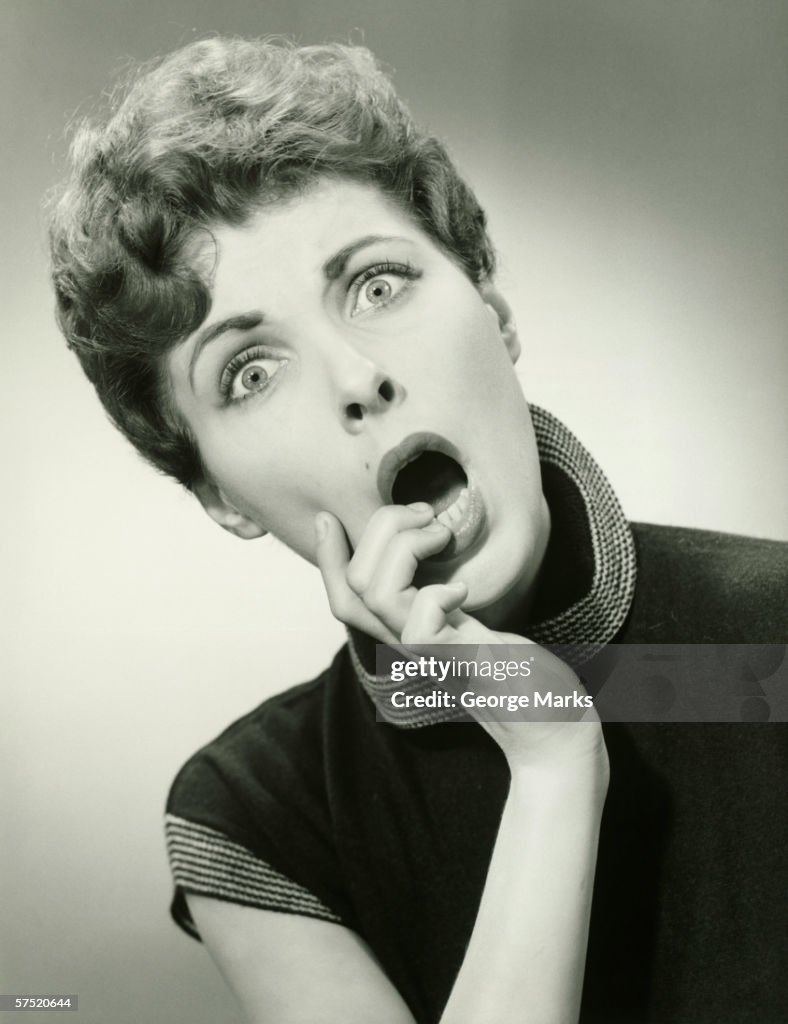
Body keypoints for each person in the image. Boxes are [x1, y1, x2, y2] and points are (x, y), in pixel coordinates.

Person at [48, 37, 786, 1024]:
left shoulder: (768, 642)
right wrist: (552, 761)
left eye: (377, 285)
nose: (357, 379)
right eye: (251, 372)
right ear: (217, 494)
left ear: (491, 304)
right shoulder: (253, 817)